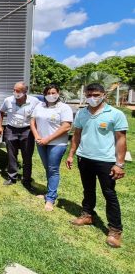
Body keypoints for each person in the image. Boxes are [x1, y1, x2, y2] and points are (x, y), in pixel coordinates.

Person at [67, 83, 128, 248]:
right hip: (84, 157)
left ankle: (115, 230)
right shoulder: (81, 113)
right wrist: (72, 154)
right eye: (89, 95)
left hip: (106, 161)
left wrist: (119, 164)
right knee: (88, 189)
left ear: (103, 95)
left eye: (95, 95)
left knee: (109, 194)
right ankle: (87, 214)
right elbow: (77, 135)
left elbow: (121, 139)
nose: (92, 98)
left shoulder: (115, 114)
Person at [30, 84, 73, 211]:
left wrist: (47, 139)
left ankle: (50, 198)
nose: (51, 95)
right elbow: (33, 121)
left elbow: (66, 127)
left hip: (57, 144)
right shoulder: (40, 105)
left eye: (53, 92)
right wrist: (37, 136)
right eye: (48, 93)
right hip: (41, 142)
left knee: (53, 169)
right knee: (47, 168)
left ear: (58, 93)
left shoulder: (64, 108)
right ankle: (49, 192)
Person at [0, 81, 40, 191]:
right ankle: (12, 177)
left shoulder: (34, 101)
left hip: (27, 130)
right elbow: (1, 112)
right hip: (11, 129)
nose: (15, 92)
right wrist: (0, 126)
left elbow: (39, 115)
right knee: (11, 155)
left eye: (18, 91)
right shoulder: (8, 100)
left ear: (25, 91)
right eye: (14, 90)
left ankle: (26, 180)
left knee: (27, 156)